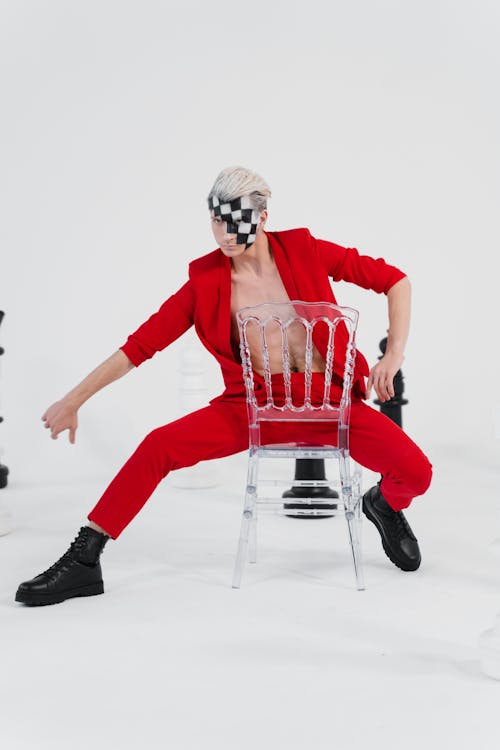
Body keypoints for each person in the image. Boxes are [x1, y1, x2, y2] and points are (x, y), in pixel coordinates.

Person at [15, 166, 432, 606]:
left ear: (264, 216)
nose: (225, 234)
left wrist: (393, 356)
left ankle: (384, 504)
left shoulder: (305, 250)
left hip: (329, 406)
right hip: (252, 410)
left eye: (237, 221)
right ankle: (85, 559)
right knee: (158, 445)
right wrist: (73, 399)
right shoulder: (207, 281)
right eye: (217, 221)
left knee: (417, 473)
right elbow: (140, 346)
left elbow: (395, 280)